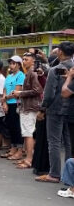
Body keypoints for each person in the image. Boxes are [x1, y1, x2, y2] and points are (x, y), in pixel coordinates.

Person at [36, 42, 74, 183]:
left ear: (60, 53)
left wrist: (42, 109)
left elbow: (49, 93)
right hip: (69, 110)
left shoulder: (56, 69)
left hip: (55, 108)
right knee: (68, 142)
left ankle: (54, 173)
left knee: (54, 141)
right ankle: (69, 175)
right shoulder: (71, 68)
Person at [13, 52, 43, 169]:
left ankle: (29, 159)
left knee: (28, 133)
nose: (24, 61)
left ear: (32, 61)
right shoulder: (28, 73)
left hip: (30, 107)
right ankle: (28, 157)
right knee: (27, 133)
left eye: (26, 59)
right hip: (27, 107)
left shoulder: (32, 74)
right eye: (23, 59)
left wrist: (20, 93)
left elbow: (37, 90)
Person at [2, 56, 25, 160]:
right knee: (10, 127)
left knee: (16, 127)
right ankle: (13, 147)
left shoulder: (21, 76)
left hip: (16, 104)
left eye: (13, 63)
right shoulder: (8, 76)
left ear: (19, 65)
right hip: (8, 103)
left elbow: (17, 92)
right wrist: (4, 102)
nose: (11, 65)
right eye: (10, 63)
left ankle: (20, 150)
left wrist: (6, 98)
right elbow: (4, 90)